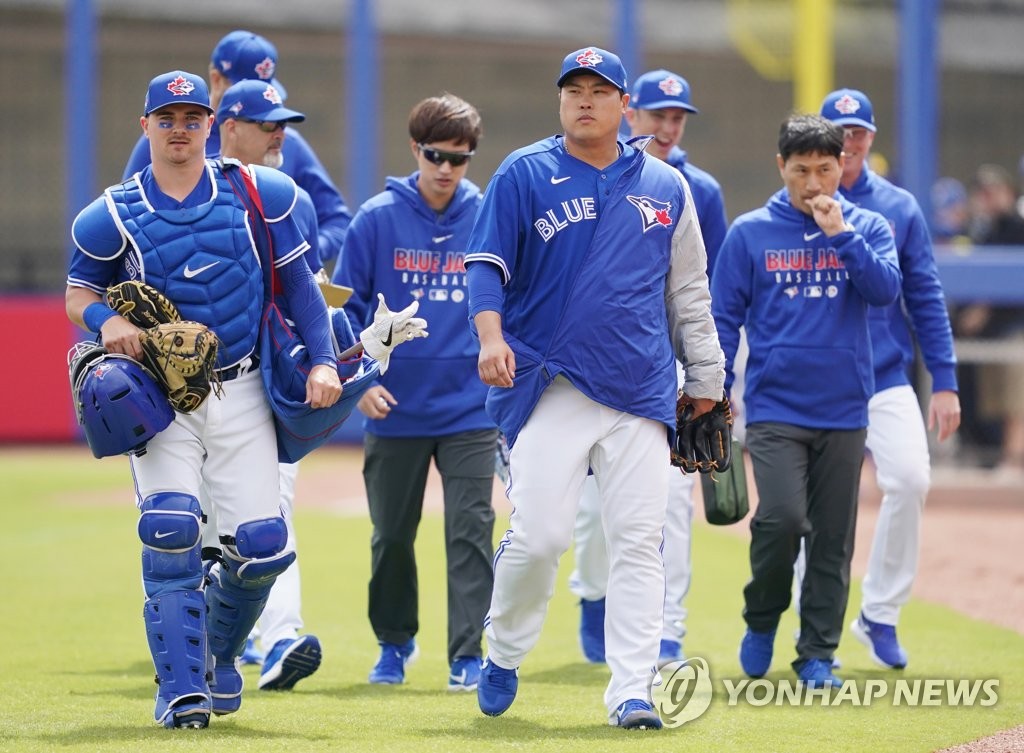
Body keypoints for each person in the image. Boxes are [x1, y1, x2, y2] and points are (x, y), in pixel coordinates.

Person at [65, 70, 343, 729]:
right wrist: (109, 322)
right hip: (162, 394)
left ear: (210, 124)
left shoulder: (259, 193)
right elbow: (78, 293)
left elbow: (302, 289)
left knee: (263, 543)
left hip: (243, 383)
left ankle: (218, 650)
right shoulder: (110, 215)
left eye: (193, 118)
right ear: (146, 127)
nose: (180, 130)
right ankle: (182, 689)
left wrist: (326, 359)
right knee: (170, 528)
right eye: (167, 119)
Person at [464, 47, 725, 729]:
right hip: (551, 384)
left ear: (623, 108)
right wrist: (490, 338)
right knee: (541, 537)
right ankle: (504, 648)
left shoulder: (668, 186)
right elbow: (485, 266)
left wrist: (707, 381)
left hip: (641, 388)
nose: (584, 99)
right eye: (573, 89)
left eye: (599, 90)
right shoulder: (525, 172)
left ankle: (631, 690)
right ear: (561, 102)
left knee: (639, 540)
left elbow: (691, 293)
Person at [711, 113, 901, 689]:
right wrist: (715, 390)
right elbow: (723, 317)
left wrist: (843, 236)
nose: (815, 183)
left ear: (843, 166)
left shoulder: (867, 226)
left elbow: (886, 291)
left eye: (826, 169)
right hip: (774, 408)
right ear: (781, 168)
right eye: (802, 171)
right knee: (782, 518)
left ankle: (816, 652)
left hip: (845, 407)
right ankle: (762, 618)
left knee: (832, 538)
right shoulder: (749, 232)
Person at [331, 93, 498, 691]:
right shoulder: (376, 218)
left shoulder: (489, 216)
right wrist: (361, 382)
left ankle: (467, 655)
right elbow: (339, 310)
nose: (446, 169)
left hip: (471, 407)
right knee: (393, 537)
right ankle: (394, 645)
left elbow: (513, 301)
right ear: (414, 150)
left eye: (460, 158)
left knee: (471, 531)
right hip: (394, 404)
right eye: (435, 155)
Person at [791, 88, 960, 671]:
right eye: (840, 129)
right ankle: (813, 630)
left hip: (884, 375)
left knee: (910, 478)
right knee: (809, 508)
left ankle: (880, 613)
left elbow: (925, 298)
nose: (851, 138)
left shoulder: (899, 207)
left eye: (859, 129)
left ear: (870, 138)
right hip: (815, 380)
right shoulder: (788, 204)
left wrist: (944, 379)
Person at [568, 67, 729, 666]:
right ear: (631, 114)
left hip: (667, 369)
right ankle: (592, 595)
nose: (667, 126)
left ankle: (667, 629)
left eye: (677, 117)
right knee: (586, 509)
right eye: (657, 114)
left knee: (669, 502)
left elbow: (702, 289)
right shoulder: (590, 175)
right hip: (591, 366)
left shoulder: (699, 189)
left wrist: (709, 374)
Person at [214, 78, 324, 691]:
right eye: (265, 122)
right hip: (195, 388)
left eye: (283, 121)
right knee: (199, 525)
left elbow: (306, 288)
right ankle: (215, 644)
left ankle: (281, 636)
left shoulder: (291, 196)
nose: (279, 131)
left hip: (268, 378)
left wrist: (328, 354)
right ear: (228, 125)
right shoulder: (179, 191)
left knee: (270, 514)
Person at [122, 29, 352, 269]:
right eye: (247, 85)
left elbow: (337, 222)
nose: (259, 96)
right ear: (217, 79)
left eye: (264, 87)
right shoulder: (167, 140)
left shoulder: (287, 141)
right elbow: (127, 219)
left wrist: (294, 248)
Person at [957, 164, 1024, 474]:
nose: (989, 198)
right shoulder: (981, 230)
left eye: (995, 191)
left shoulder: (1017, 225)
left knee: (1015, 393)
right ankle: (997, 456)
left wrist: (982, 309)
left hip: (1015, 326)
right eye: (983, 193)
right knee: (990, 398)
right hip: (988, 332)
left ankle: (1014, 457)